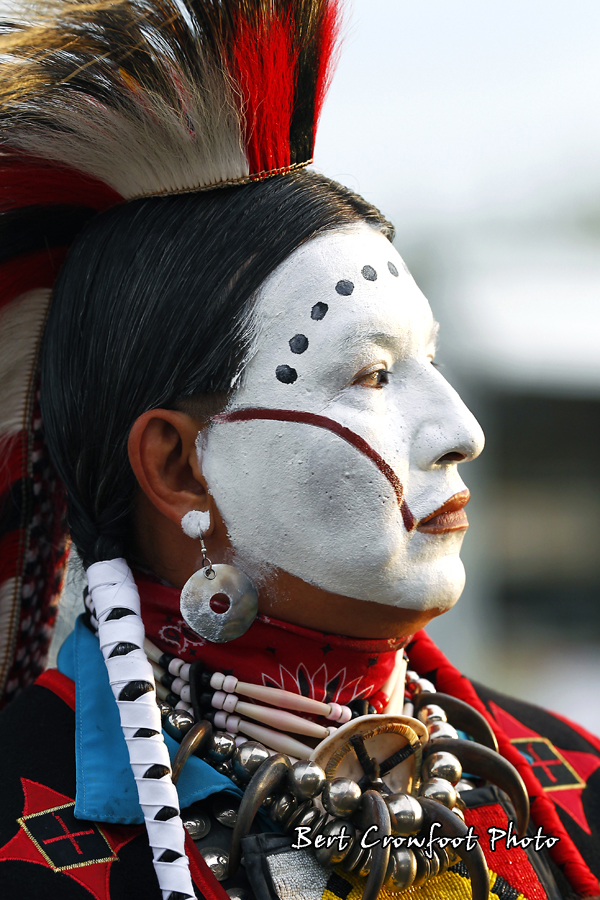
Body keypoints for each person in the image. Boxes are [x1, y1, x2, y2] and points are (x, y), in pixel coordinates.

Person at [0, 2, 598, 899]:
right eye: (371, 375)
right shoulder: (25, 837)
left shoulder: (574, 784)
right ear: (180, 467)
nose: (461, 431)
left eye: (430, 362)